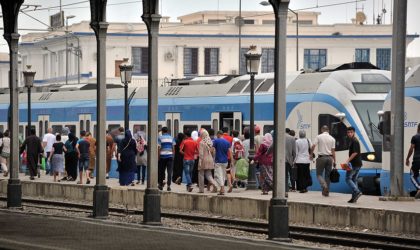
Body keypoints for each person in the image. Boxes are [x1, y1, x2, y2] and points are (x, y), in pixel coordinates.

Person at [311, 125, 336, 197]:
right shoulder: (332, 138)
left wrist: (311, 154)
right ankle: (326, 192)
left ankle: (324, 186)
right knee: (327, 176)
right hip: (330, 158)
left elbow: (313, 146)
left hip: (321, 158)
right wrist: (334, 161)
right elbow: (333, 151)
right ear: (328, 130)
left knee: (319, 174)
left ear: (322, 130)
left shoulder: (319, 136)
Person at [345, 127, 363, 203]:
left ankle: (357, 191)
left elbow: (355, 152)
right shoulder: (352, 140)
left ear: (354, 132)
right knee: (354, 179)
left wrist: (347, 161)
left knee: (347, 178)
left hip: (354, 163)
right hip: (358, 163)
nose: (349, 134)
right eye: (348, 132)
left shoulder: (354, 141)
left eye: (351, 132)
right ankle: (354, 198)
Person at [198, 129, 217, 193]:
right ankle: (215, 184)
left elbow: (201, 154)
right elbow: (214, 152)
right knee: (209, 175)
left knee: (201, 174)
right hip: (210, 159)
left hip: (204, 159)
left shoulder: (201, 143)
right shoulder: (210, 142)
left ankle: (201, 190)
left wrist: (200, 162)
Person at [213, 130, 231, 195]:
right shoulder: (227, 142)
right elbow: (230, 151)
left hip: (218, 161)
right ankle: (221, 189)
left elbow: (212, 150)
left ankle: (222, 188)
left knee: (218, 175)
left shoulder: (216, 141)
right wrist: (231, 161)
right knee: (223, 175)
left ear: (218, 134)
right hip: (225, 161)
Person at [158, 127, 175, 191]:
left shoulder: (160, 138)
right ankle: (168, 186)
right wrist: (173, 156)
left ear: (162, 131)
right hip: (170, 156)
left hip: (162, 157)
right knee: (169, 172)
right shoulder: (171, 138)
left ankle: (160, 185)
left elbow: (159, 148)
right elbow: (173, 147)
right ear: (167, 131)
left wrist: (158, 157)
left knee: (161, 171)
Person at [405, 123, 420, 199]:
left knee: (412, 175)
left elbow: (411, 149)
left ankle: (419, 187)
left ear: (418, 128)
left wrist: (407, 158)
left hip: (417, 160)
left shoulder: (415, 137)